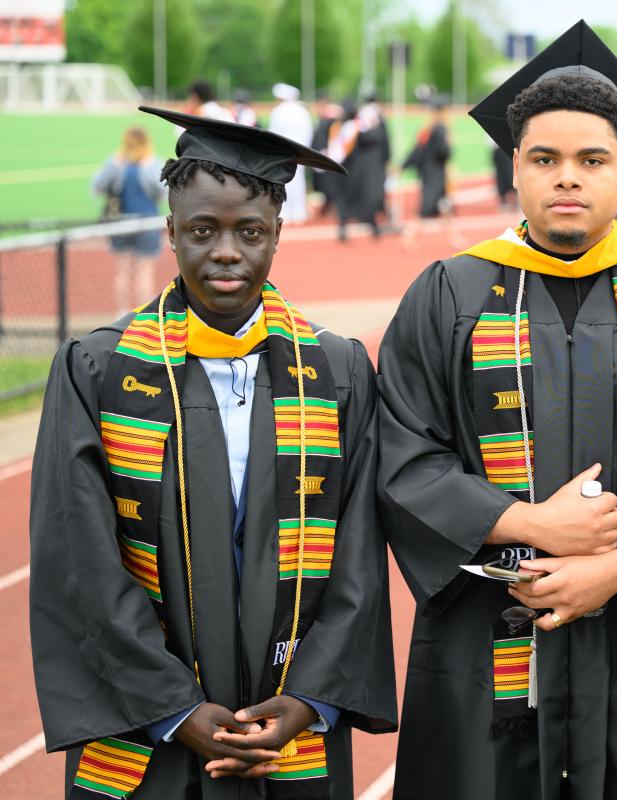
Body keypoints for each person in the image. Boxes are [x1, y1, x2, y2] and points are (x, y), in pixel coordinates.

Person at [376, 21, 617, 800]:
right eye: (545, 160)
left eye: (591, 160)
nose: (567, 178)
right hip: (487, 639)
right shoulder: (449, 295)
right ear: (514, 167)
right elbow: (404, 453)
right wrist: (526, 525)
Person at [30, 106, 397, 799]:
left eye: (250, 232)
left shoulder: (338, 371)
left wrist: (310, 700)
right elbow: (76, 556)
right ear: (170, 233)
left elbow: (359, 552)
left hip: (288, 717)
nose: (226, 251)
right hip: (148, 727)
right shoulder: (98, 371)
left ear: (278, 236)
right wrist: (173, 706)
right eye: (203, 230)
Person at [92, 125, 166, 311]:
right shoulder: (152, 162)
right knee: (145, 274)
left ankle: (121, 315)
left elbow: (97, 187)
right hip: (147, 221)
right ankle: (145, 318)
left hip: (120, 221)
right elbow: (162, 193)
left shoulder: (117, 162)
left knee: (122, 273)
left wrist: (113, 167)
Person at [325, 98, 391, 241]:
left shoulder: (337, 127)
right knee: (363, 200)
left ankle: (347, 229)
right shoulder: (356, 127)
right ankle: (374, 229)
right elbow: (377, 137)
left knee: (345, 202)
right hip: (353, 172)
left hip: (340, 170)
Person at [268, 83, 315, 223]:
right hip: (301, 150)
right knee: (298, 179)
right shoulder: (302, 110)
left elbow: (273, 133)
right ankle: (299, 211)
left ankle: (286, 212)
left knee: (284, 180)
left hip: (283, 151)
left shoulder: (279, 111)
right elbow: (309, 132)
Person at [401, 97, 452, 219]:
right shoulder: (440, 129)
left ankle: (451, 235)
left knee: (443, 204)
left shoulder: (428, 129)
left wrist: (405, 165)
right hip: (435, 173)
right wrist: (449, 142)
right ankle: (409, 236)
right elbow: (444, 152)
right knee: (427, 208)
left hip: (429, 171)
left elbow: (417, 150)